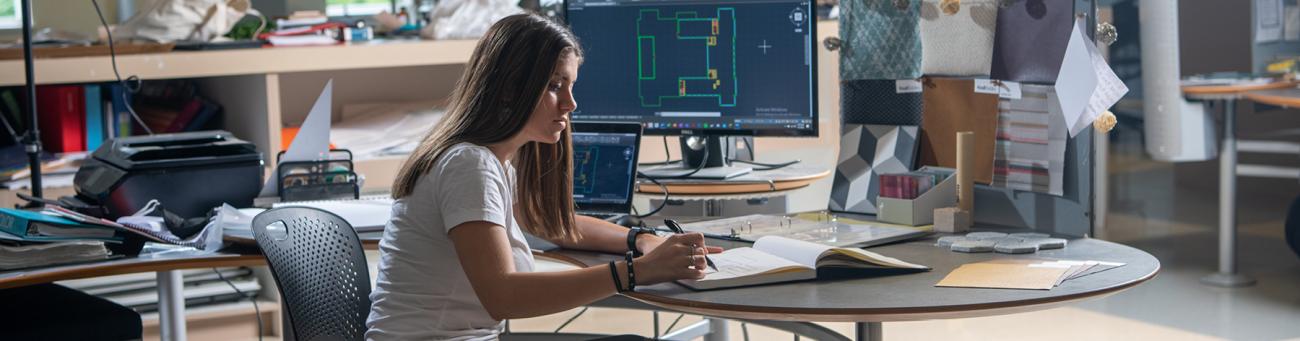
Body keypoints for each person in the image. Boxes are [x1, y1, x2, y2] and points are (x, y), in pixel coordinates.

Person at [365, 13, 720, 340]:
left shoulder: (490, 160)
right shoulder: (469, 165)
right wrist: (634, 271)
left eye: (571, 86)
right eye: (554, 86)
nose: (570, 103)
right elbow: (504, 297)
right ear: (508, 89)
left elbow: (549, 222)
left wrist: (642, 241)